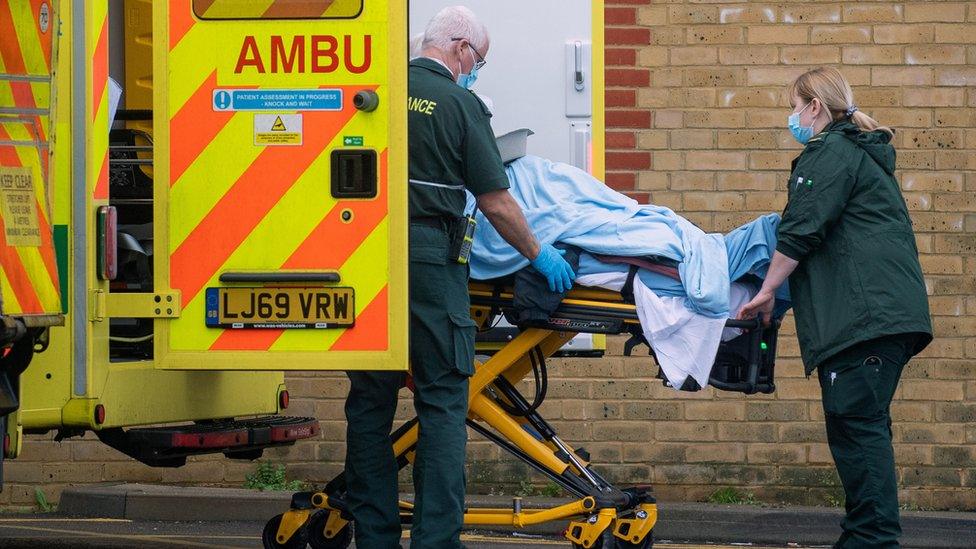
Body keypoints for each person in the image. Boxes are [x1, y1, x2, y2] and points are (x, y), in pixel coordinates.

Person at [343, 7, 576, 549]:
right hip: (429, 258)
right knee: (444, 401)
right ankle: (435, 541)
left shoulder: (369, 92)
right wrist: (539, 255)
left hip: (363, 257)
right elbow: (496, 201)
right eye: (481, 60)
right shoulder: (458, 103)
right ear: (462, 48)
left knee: (369, 404)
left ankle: (374, 538)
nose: (477, 70)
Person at [738, 67, 932, 548]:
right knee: (862, 428)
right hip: (879, 317)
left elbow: (801, 229)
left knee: (858, 431)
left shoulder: (829, 153)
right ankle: (867, 537)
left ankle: (871, 540)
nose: (793, 116)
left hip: (863, 320)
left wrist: (766, 291)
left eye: (795, 105)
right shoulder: (858, 154)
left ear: (815, 107)